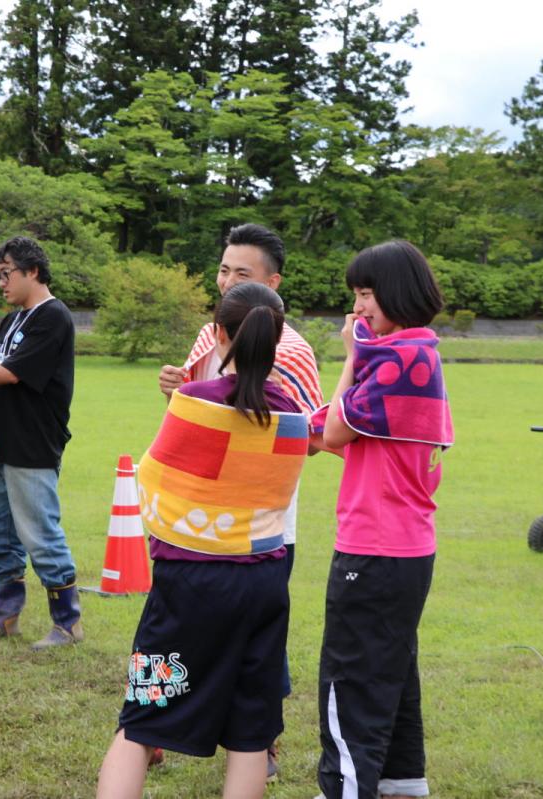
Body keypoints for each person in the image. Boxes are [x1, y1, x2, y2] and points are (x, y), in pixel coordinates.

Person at [97, 283, 309, 799]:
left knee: (143, 717)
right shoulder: (294, 419)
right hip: (263, 583)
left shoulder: (192, 402)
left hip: (189, 586)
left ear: (218, 335)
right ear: (276, 340)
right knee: (251, 732)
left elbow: (152, 482)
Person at [157, 222, 323, 777]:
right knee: (175, 629)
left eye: (241, 273)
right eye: (224, 269)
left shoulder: (294, 352)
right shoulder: (210, 334)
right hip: (194, 520)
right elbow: (195, 406)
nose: (227, 280)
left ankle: (260, 741)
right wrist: (176, 389)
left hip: (262, 526)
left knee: (256, 645)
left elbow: (311, 439)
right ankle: (154, 726)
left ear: (272, 283)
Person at [315, 241, 452, 799]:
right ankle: (402, 787)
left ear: (394, 292)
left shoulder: (401, 359)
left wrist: (351, 354)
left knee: (350, 689)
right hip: (402, 550)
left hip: (375, 551)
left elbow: (331, 431)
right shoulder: (412, 356)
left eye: (365, 294)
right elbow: (334, 434)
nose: (358, 309)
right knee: (392, 679)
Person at [0, 236, 83, 649]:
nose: (1, 283)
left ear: (33, 272)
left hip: (33, 444)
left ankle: (68, 623)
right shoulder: (12, 321)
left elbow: (10, 371)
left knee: (39, 532)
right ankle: (5, 615)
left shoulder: (54, 316)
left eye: (6, 274)